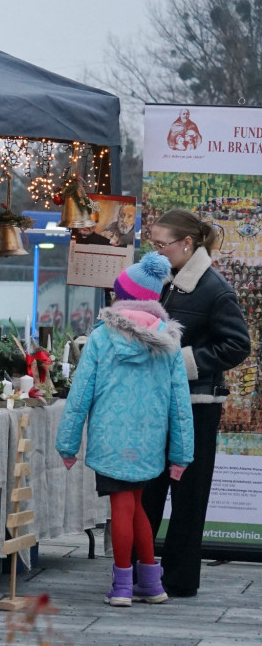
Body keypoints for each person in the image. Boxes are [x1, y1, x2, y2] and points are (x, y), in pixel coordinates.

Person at [56, 252, 194, 607]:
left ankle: (121, 585)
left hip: (110, 439)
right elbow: (180, 404)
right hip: (150, 440)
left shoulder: (101, 338)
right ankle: (150, 582)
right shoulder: (170, 343)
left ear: (121, 296)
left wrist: (68, 444)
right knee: (137, 506)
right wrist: (181, 454)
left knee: (121, 508)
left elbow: (80, 392)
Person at [140, 209, 251, 597]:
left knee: (188, 495)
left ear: (187, 244)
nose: (154, 252)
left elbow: (238, 345)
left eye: (160, 245)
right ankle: (144, 572)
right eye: (151, 245)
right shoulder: (163, 281)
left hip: (197, 406)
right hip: (158, 403)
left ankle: (180, 580)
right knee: (148, 488)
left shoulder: (214, 288)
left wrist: (182, 363)